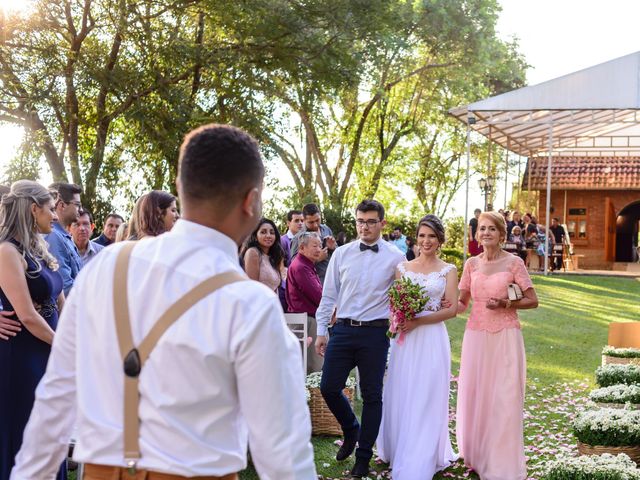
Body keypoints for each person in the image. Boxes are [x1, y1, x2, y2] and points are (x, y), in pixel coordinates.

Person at [11, 124, 316, 479]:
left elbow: (55, 399)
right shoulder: (250, 303)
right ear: (250, 201)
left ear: (182, 191)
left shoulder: (108, 266)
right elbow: (284, 457)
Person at [315, 199, 405, 478]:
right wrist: (321, 330)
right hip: (342, 330)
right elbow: (329, 294)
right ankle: (351, 428)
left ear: (382, 223)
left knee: (372, 395)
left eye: (370, 221)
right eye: (360, 221)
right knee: (329, 387)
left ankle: (364, 457)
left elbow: (402, 297)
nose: (364, 227)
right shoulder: (341, 254)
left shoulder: (396, 257)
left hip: (375, 335)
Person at [456, 211, 538, 480]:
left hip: (505, 335)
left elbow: (532, 300)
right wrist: (429, 310)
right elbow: (461, 303)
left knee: (503, 396)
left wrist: (506, 303)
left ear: (502, 234)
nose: (486, 233)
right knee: (478, 393)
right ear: (476, 234)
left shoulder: (514, 263)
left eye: (492, 229)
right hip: (476, 337)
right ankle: (477, 454)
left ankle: (501, 459)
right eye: (482, 229)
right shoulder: (471, 265)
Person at [377, 214, 459, 479]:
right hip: (406, 341)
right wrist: (399, 319)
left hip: (432, 339)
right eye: (422, 235)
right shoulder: (403, 268)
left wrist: (418, 320)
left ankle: (421, 454)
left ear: (439, 240)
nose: (426, 241)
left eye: (431, 236)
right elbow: (396, 304)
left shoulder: (449, 270)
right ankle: (398, 445)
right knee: (403, 390)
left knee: (427, 393)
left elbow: (452, 310)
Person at [0, 180, 66, 480]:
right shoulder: (7, 251)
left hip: (49, 351)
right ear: (33, 209)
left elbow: (60, 301)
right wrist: (66, 347)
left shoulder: (41, 248)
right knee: (27, 431)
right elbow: (26, 315)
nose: (55, 216)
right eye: (51, 209)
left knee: (52, 430)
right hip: (22, 356)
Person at [286, 231, 324, 373]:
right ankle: (310, 395)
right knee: (312, 366)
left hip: (308, 318)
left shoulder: (305, 264)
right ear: (302, 248)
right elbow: (318, 296)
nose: (319, 249)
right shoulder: (301, 267)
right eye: (315, 246)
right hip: (306, 320)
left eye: (320, 246)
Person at [46, 182, 82, 296]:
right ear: (62, 205)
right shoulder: (54, 237)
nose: (80, 210)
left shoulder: (63, 236)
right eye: (77, 204)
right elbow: (65, 288)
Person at [290, 203, 337, 283]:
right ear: (304, 220)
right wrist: (316, 259)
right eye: (311, 222)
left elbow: (337, 252)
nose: (315, 225)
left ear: (320, 216)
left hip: (333, 278)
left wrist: (333, 248)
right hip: (313, 283)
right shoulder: (298, 238)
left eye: (317, 220)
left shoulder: (326, 229)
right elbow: (294, 266)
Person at [242, 218, 286, 294]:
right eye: (263, 232)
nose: (268, 235)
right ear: (255, 235)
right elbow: (252, 288)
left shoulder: (272, 256)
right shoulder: (253, 253)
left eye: (272, 233)